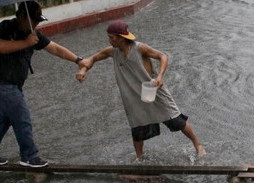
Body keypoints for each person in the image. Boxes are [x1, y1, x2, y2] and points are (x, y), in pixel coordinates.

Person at [0, 0, 87, 168]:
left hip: (11, 84)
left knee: (5, 118)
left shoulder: (33, 33)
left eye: (38, 20)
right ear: (21, 16)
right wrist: (26, 43)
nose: (36, 24)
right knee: (22, 117)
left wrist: (77, 60)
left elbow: (54, 48)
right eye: (34, 20)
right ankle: (29, 156)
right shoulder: (4, 28)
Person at [76, 20, 206, 159]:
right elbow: (91, 59)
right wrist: (83, 70)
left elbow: (163, 56)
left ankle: (198, 145)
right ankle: (140, 158)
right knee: (137, 125)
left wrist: (160, 76)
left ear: (121, 37)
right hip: (133, 95)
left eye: (112, 38)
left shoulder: (140, 48)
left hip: (153, 89)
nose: (109, 41)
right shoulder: (112, 52)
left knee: (175, 119)